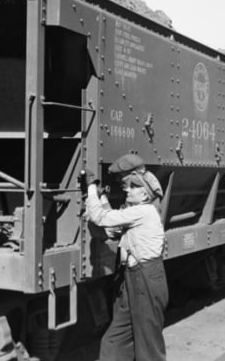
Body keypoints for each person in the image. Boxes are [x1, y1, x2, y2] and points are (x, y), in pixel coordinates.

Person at [82, 153, 168, 361]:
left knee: (148, 343)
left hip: (146, 278)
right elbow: (111, 224)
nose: (126, 189)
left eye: (132, 187)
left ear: (145, 194)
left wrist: (92, 187)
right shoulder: (136, 212)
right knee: (116, 339)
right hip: (132, 276)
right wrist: (102, 196)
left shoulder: (144, 212)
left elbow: (102, 218)